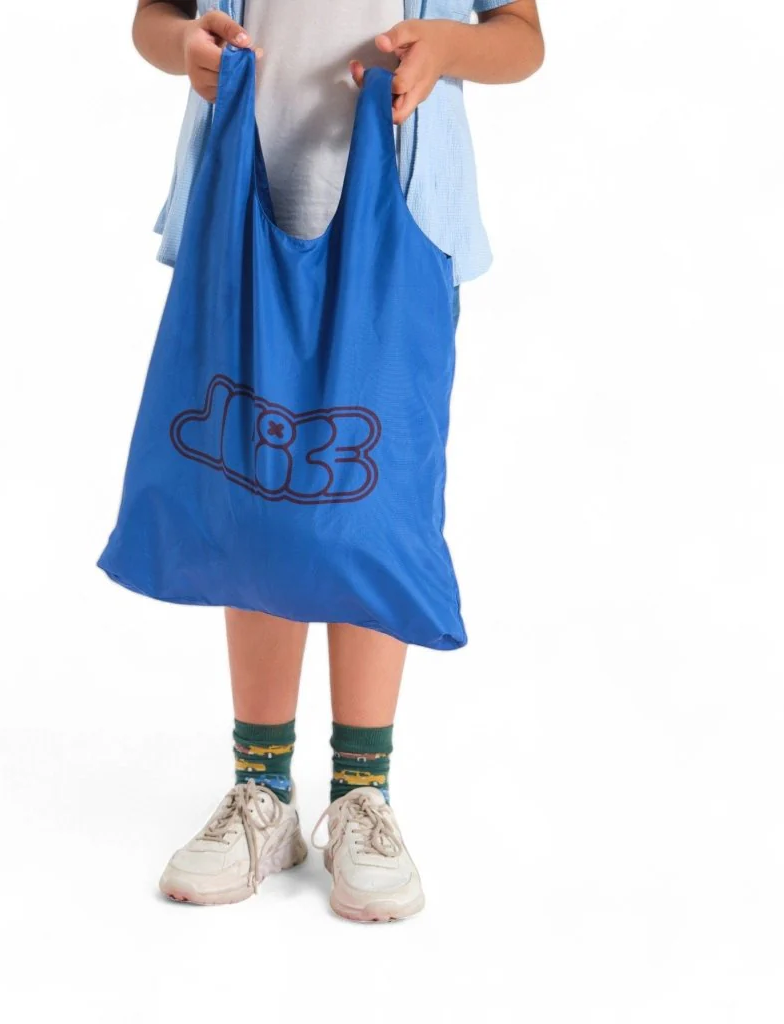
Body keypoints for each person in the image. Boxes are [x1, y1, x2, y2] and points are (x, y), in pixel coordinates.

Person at [130, 0, 543, 922]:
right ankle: (262, 790)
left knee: (370, 511)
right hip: (243, 200)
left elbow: (522, 37)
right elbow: (154, 20)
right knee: (252, 490)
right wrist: (183, 48)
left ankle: (363, 793)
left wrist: (447, 47)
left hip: (402, 224)